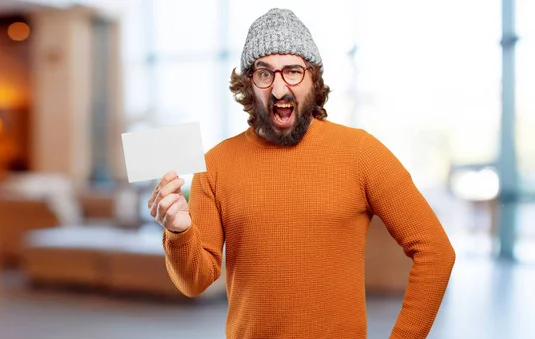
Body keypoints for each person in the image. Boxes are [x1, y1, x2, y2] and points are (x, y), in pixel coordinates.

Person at [148, 8, 455, 339]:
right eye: (265, 74)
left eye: (292, 71)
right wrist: (179, 232)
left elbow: (436, 253)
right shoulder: (215, 164)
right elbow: (195, 282)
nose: (280, 89)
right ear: (249, 84)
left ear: (313, 79)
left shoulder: (360, 152)